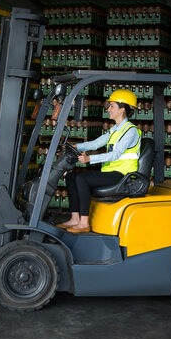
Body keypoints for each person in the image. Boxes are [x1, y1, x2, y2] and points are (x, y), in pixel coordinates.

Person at [57, 89, 142, 233]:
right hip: (111, 172)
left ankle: (84, 223)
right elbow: (95, 143)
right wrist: (74, 146)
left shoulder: (130, 131)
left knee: (82, 178)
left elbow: (115, 155)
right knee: (71, 176)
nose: (108, 109)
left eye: (112, 106)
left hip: (123, 175)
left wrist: (90, 158)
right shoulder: (115, 130)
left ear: (122, 109)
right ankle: (75, 218)